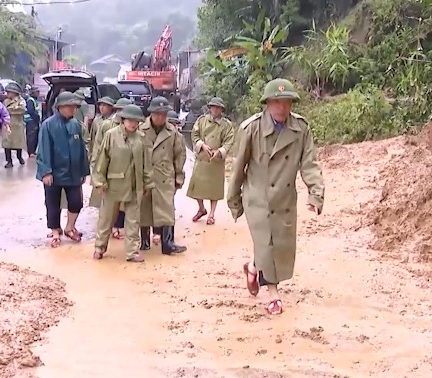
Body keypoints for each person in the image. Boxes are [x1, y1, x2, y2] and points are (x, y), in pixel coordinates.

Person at [227, 78, 325, 315]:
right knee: (266, 244)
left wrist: (316, 192)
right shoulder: (251, 129)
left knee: (277, 247)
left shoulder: (301, 129)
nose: (282, 107)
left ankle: (252, 268)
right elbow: (238, 166)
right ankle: (273, 295)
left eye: (287, 102)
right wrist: (234, 199)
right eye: (277, 102)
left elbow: (309, 163)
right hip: (257, 198)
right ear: (267, 103)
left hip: (284, 199)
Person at [92, 104, 154, 262]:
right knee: (106, 218)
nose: (132, 124)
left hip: (135, 185)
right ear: (123, 120)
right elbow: (102, 159)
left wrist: (147, 183)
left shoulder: (140, 138)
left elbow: (147, 163)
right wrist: (99, 182)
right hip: (114, 184)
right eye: (129, 120)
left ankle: (132, 252)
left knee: (133, 220)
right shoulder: (111, 135)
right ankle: (99, 247)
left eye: (136, 121)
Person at [35, 91, 90, 247]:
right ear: (60, 107)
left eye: (74, 107)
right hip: (53, 172)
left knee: (76, 202)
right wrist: (46, 171)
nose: (73, 110)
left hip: (73, 172)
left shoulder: (76, 125)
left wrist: (83, 171)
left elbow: (81, 149)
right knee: (52, 203)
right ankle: (55, 231)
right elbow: (43, 149)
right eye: (70, 107)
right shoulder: (48, 125)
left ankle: (70, 227)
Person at [138, 97, 187, 254]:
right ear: (151, 113)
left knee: (167, 210)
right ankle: (144, 241)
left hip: (165, 176)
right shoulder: (140, 130)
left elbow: (179, 155)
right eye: (157, 114)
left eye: (164, 114)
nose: (160, 117)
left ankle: (168, 244)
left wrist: (179, 178)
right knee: (143, 209)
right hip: (145, 175)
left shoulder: (172, 132)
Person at [187, 97, 235, 225]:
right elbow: (194, 135)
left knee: (215, 190)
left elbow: (229, 141)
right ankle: (201, 209)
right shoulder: (201, 121)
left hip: (216, 161)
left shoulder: (226, 125)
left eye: (218, 107)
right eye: (213, 107)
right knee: (196, 188)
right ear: (209, 108)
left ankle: (212, 215)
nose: (215, 109)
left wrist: (220, 151)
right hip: (202, 158)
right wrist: (201, 145)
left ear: (221, 110)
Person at [88, 97, 131, 239]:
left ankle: (117, 227)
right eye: (119, 110)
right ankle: (106, 231)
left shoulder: (134, 125)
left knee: (123, 200)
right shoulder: (106, 125)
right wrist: (95, 167)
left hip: (125, 170)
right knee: (106, 200)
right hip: (108, 167)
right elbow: (97, 146)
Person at [2, 82, 27, 168]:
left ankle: (19, 157)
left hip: (17, 125)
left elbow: (21, 110)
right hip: (7, 125)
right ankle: (9, 161)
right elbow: (3, 111)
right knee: (7, 144)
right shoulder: (5, 101)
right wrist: (11, 110)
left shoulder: (21, 101)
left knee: (18, 143)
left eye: (9, 92)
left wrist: (9, 110)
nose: (7, 94)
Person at [24, 86, 42, 158]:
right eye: (37, 92)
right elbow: (31, 111)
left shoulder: (35, 100)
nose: (38, 93)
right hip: (31, 121)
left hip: (35, 121)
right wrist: (36, 119)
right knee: (31, 137)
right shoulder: (30, 100)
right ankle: (31, 152)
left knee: (35, 137)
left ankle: (33, 151)